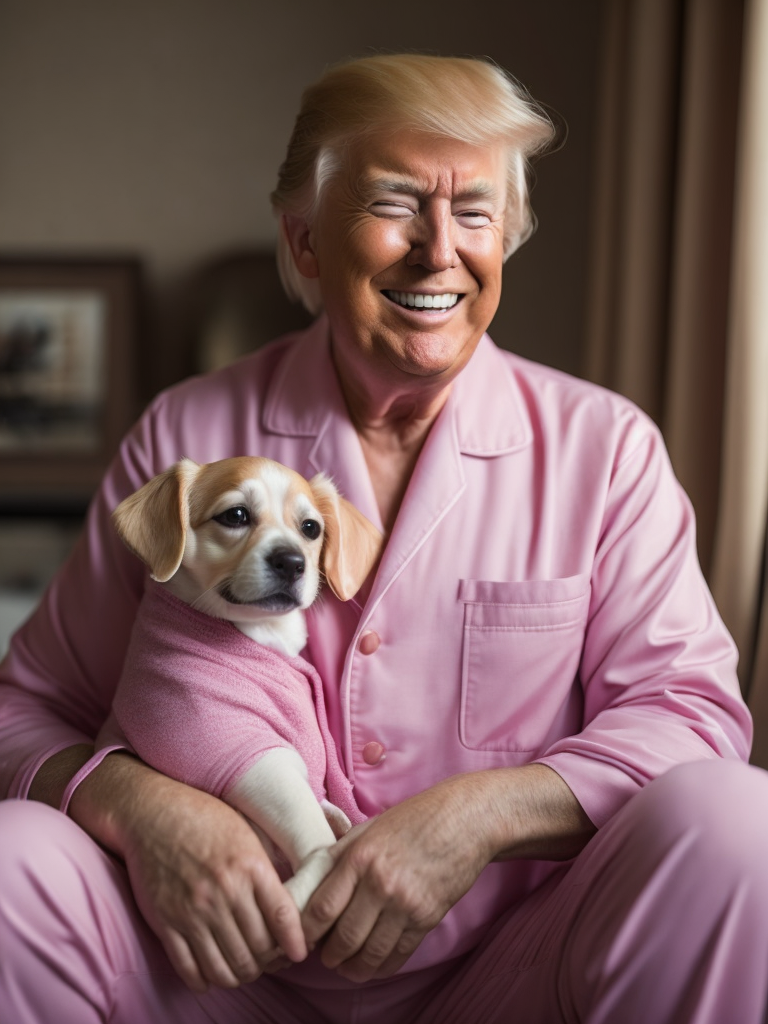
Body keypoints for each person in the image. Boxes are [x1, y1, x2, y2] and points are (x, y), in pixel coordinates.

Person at [1, 52, 766, 1024]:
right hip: (212, 976)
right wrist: (142, 808)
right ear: (307, 240)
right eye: (397, 203)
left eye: (476, 212)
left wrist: (478, 818)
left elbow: (694, 719)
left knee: (737, 822)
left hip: (509, 975)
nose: (439, 249)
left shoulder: (605, 450)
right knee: (14, 860)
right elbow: (24, 713)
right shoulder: (185, 439)